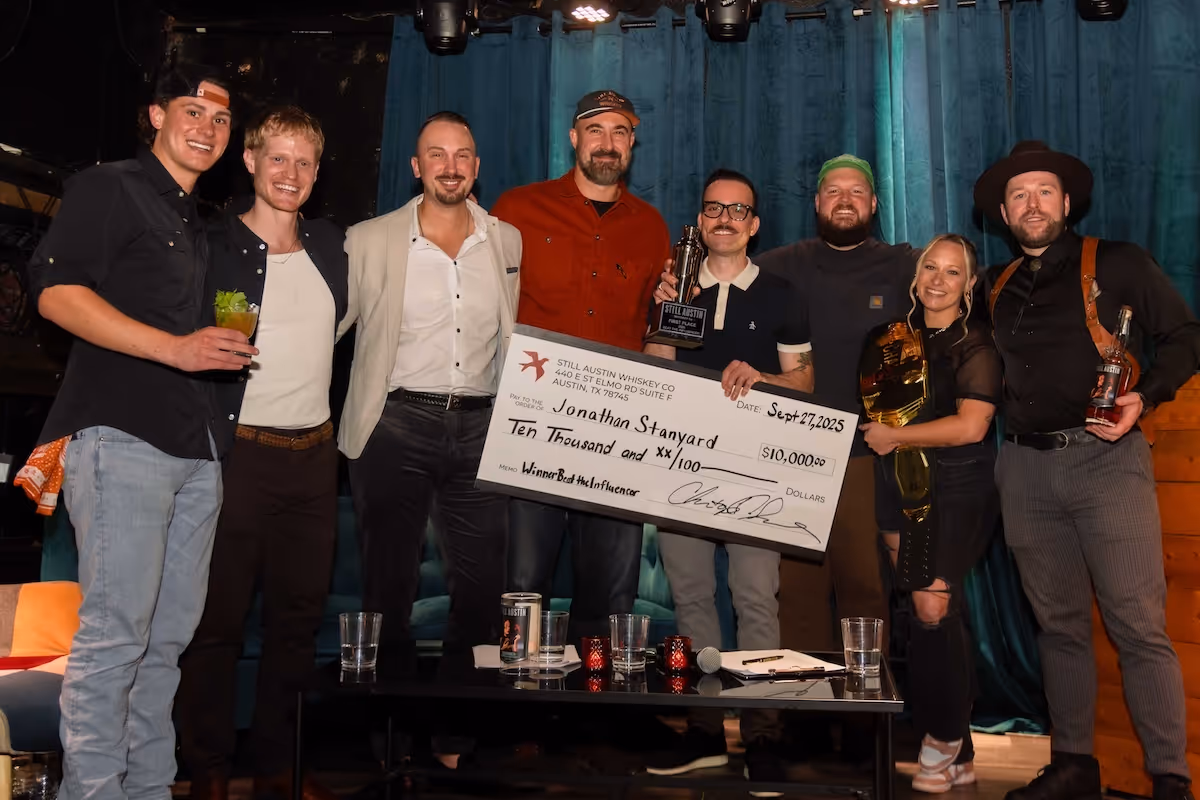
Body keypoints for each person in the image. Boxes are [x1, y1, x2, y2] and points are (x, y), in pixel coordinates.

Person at [26, 67, 252, 800]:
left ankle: (148, 790)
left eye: (220, 120)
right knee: (115, 638)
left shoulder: (198, 218)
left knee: (165, 647)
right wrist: (176, 348)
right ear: (156, 115)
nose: (207, 129)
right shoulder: (109, 186)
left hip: (198, 449)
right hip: (122, 436)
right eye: (193, 111)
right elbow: (56, 294)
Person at [973, 140, 1200, 800]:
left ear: (1067, 203)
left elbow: (1186, 337)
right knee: (1059, 629)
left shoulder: (1120, 262)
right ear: (1004, 215)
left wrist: (1145, 397)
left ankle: (1170, 779)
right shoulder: (993, 287)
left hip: (1108, 464)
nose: (1032, 203)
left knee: (1138, 626)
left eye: (1044, 191)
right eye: (1018, 195)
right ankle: (1073, 765)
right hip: (1024, 468)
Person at [175, 106, 348, 800]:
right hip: (236, 456)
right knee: (215, 626)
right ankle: (209, 771)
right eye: (277, 157)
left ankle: (280, 769)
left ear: (317, 172)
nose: (290, 173)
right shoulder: (211, 243)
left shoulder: (332, 246)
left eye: (304, 162)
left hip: (314, 460)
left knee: (296, 626)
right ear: (249, 161)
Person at [644, 169, 811, 795]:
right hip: (680, 466)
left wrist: (764, 378)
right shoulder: (674, 286)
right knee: (690, 601)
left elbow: (806, 383)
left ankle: (763, 736)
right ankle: (705, 731)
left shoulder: (783, 294)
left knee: (755, 599)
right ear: (699, 220)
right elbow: (656, 371)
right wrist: (667, 310)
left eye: (737, 210)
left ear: (754, 224)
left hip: (754, 472)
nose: (724, 219)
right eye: (714, 208)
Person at [491, 90, 671, 639]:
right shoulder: (516, 209)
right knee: (523, 587)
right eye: (596, 130)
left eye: (619, 131)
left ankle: (604, 693)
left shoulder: (652, 227)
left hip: (615, 432)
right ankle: (521, 693)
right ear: (574, 138)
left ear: (632, 143)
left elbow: (656, 329)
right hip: (532, 423)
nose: (607, 143)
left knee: (613, 596)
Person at [338, 110, 520, 653]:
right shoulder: (367, 240)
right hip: (394, 425)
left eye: (461, 155)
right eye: (436, 155)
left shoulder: (506, 241)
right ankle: (389, 709)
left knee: (484, 594)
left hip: (480, 430)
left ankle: (461, 704)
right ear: (417, 167)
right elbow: (326, 328)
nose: (450, 166)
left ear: (477, 167)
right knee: (388, 589)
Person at [858, 234, 1002, 793]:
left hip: (956, 488)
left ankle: (939, 740)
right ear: (916, 277)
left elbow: (971, 427)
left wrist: (895, 436)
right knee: (926, 615)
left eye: (952, 272)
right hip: (897, 484)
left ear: (969, 286)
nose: (938, 280)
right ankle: (959, 746)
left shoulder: (976, 344)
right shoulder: (891, 338)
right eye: (930, 268)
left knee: (930, 604)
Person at [754, 154, 914, 654]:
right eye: (834, 192)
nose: (845, 200)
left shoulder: (904, 266)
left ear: (875, 204)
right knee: (796, 594)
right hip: (793, 454)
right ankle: (800, 700)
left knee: (865, 589)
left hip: (867, 456)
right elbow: (722, 279)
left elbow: (957, 280)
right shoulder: (780, 265)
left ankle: (865, 699)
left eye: (857, 192)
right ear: (817, 203)